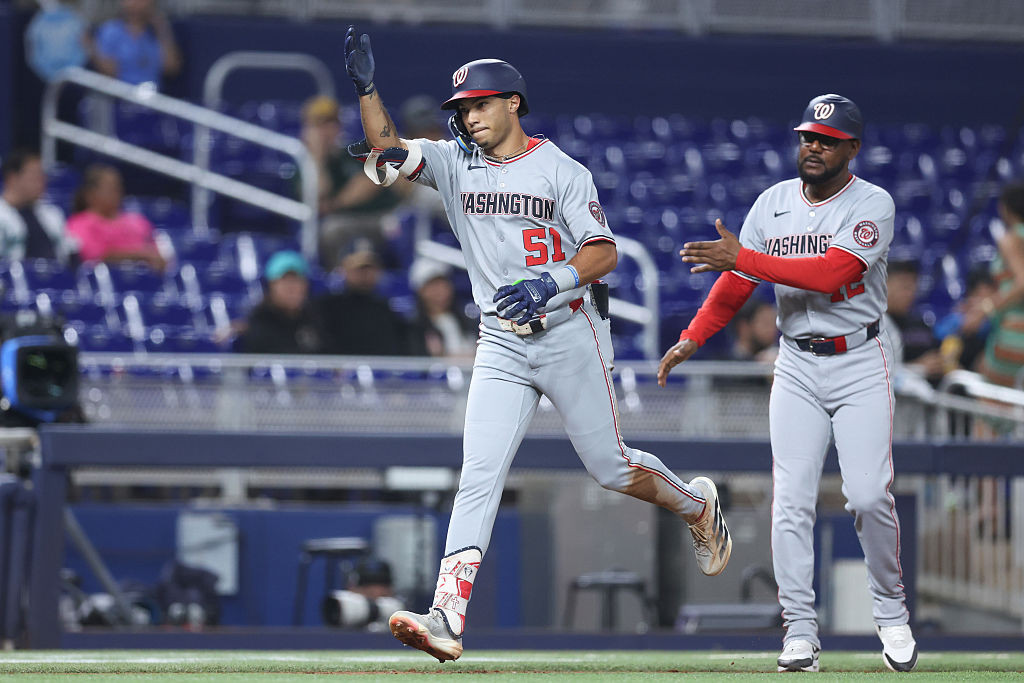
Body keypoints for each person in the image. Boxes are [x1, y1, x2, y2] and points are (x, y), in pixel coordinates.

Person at [343, 26, 731, 662]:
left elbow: (603, 253)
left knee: (610, 466)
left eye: (481, 104)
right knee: (478, 474)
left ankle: (697, 506)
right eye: (463, 107)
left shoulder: (561, 171)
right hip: (500, 339)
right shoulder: (453, 162)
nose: (470, 115)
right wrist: (367, 90)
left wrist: (549, 283)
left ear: (513, 103)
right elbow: (387, 148)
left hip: (570, 331)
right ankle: (447, 616)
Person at [658, 95, 916, 672]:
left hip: (859, 360)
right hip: (796, 362)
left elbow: (831, 273)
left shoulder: (873, 203)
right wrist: (695, 336)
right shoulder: (773, 203)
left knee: (868, 496)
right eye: (808, 137)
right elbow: (735, 284)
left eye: (828, 139)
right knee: (791, 501)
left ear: (852, 148)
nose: (814, 147)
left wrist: (744, 258)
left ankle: (891, 612)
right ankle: (799, 631)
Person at [298, 95, 400, 269]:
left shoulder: (351, 153)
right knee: (331, 229)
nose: (327, 131)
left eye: (332, 124)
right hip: (341, 223)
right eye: (320, 126)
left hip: (381, 215)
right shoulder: (302, 164)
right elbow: (319, 196)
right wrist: (318, 160)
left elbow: (371, 181)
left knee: (401, 225)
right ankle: (341, 277)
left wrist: (335, 204)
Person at [315, 239, 410, 356]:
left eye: (370, 268)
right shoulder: (327, 308)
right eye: (359, 269)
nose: (365, 274)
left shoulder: (385, 309)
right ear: (343, 270)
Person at [65, 163, 165, 271]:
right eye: (109, 188)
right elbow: (94, 256)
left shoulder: (138, 222)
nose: (116, 192)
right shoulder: (79, 223)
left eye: (118, 187)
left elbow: (158, 258)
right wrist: (140, 255)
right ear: (89, 194)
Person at [975, 181, 1024, 387]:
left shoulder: (1011, 239)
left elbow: (1022, 282)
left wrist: (986, 308)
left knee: (993, 400)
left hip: (1015, 330)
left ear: (1005, 208)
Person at [237, 250, 323, 354]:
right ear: (270, 286)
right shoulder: (259, 323)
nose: (291, 288)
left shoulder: (316, 318)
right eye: (284, 281)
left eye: (297, 281)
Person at [0, 149, 77, 264]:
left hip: (56, 273)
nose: (42, 181)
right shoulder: (2, 215)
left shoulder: (52, 215)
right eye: (34, 175)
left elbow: (71, 255)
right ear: (12, 178)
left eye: (42, 175)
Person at [92, 0, 181, 87]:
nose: (137, 4)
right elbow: (110, 72)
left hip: (151, 93)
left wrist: (162, 28)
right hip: (120, 92)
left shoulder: (157, 32)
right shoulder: (111, 30)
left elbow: (172, 68)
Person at [884, 259, 945, 383]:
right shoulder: (874, 327)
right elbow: (876, 372)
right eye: (904, 287)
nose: (909, 293)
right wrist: (918, 368)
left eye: (913, 286)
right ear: (884, 286)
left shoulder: (920, 324)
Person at [407, 258, 477, 358]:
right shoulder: (415, 329)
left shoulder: (467, 322)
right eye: (433, 286)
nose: (440, 291)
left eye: (443, 284)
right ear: (421, 291)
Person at [723, 298, 779, 363]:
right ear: (743, 328)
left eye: (774, 323)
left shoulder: (777, 359)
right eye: (765, 323)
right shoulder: (721, 363)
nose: (772, 329)